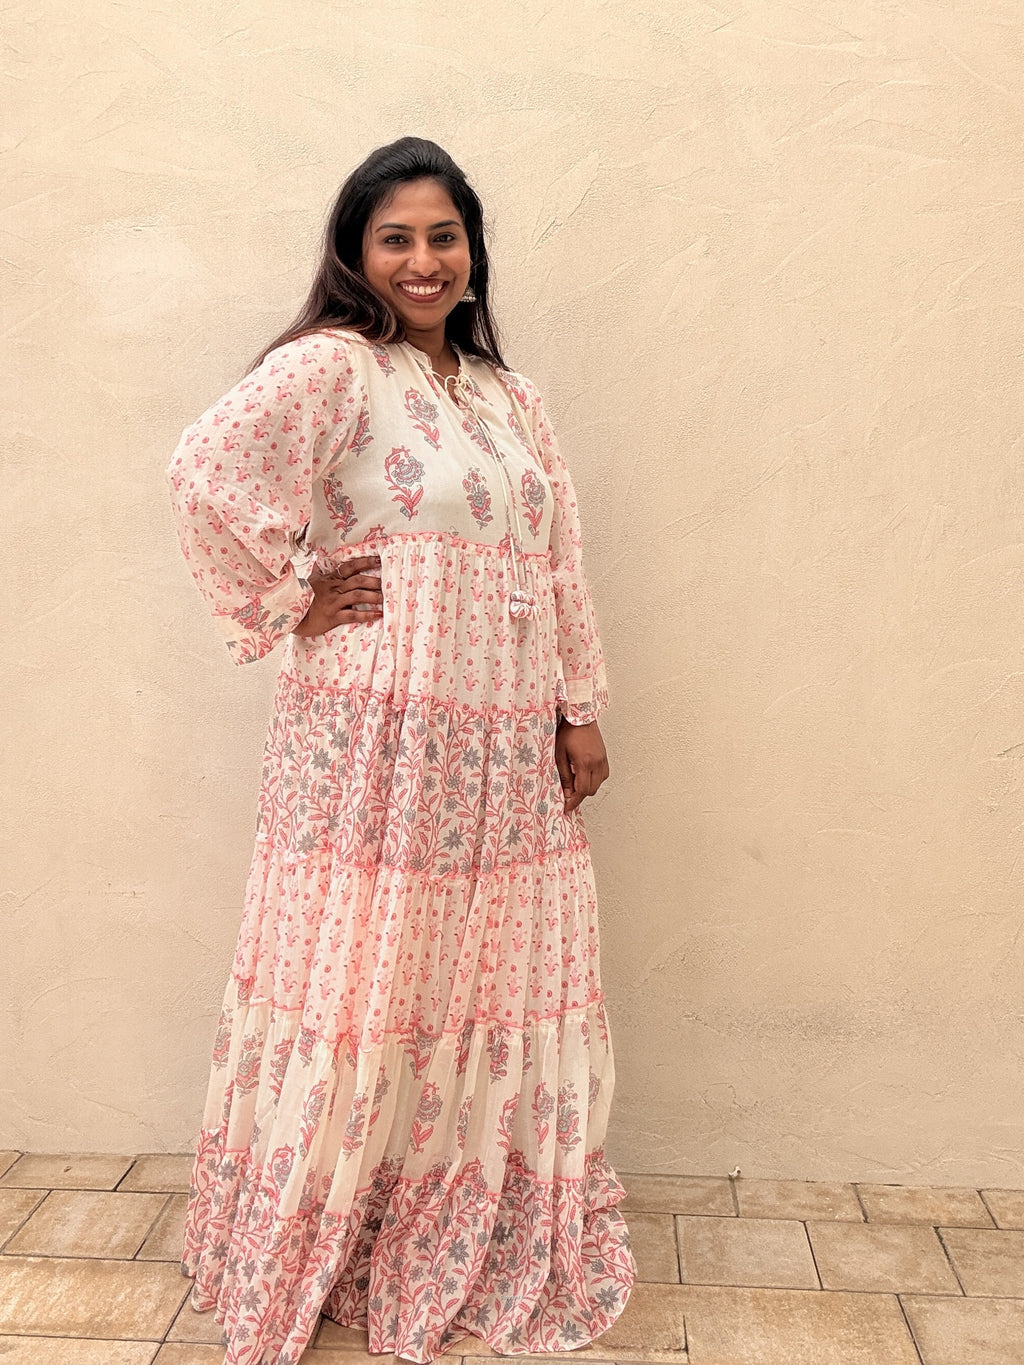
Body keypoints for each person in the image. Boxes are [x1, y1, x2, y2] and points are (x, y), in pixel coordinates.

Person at [166, 136, 634, 1365]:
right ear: (356, 253)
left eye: (443, 236)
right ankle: (340, 1215)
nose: (423, 260)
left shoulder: (508, 396)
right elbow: (204, 472)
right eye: (396, 238)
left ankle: (464, 1205)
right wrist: (290, 598)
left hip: (502, 740)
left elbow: (556, 557)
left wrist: (577, 705)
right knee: (374, 972)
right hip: (377, 730)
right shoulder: (333, 368)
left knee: (475, 976)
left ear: (471, 252)